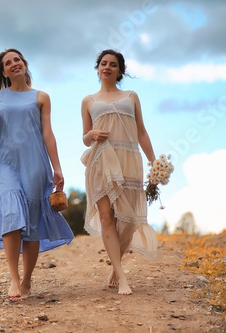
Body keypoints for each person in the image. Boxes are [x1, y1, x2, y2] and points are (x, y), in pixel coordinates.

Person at [0, 48, 74, 301]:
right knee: (11, 212)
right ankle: (13, 277)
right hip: (3, 162)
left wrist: (57, 168)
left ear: (24, 64)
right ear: (3, 71)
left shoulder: (41, 97)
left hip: (35, 163)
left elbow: (47, 134)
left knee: (32, 221)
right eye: (8, 62)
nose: (14, 64)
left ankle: (27, 278)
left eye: (17, 60)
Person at [80, 49, 157, 295]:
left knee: (128, 219)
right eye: (103, 63)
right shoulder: (88, 101)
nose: (107, 67)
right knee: (106, 217)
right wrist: (91, 135)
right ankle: (121, 275)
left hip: (129, 159)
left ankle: (116, 264)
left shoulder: (131, 96)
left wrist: (154, 161)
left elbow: (142, 132)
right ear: (98, 68)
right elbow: (84, 138)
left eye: (113, 64)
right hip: (101, 161)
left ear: (120, 70)